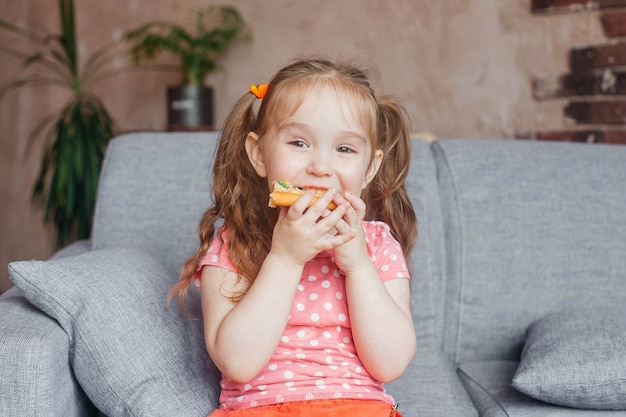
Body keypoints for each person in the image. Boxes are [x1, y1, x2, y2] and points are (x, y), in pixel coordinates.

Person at [170, 56, 418, 417]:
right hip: (259, 409)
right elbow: (237, 363)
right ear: (258, 154)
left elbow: (390, 364)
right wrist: (284, 259)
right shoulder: (235, 243)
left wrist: (359, 266)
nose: (320, 166)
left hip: (361, 409)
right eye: (299, 143)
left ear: (369, 169)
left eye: (345, 149)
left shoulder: (378, 244)